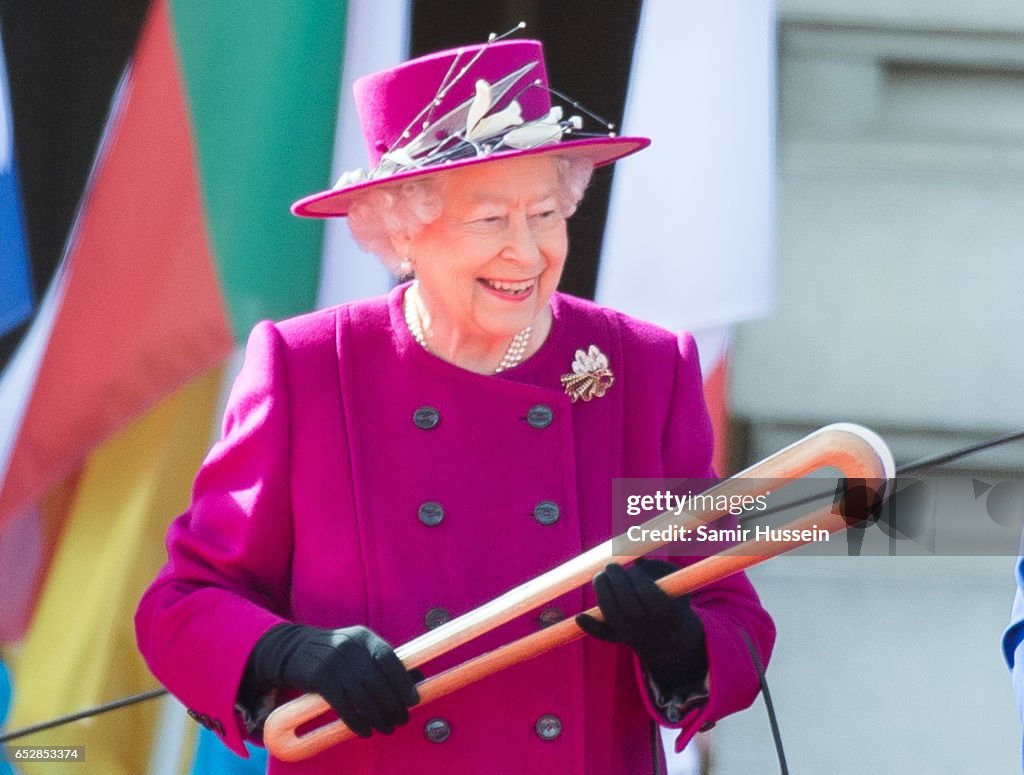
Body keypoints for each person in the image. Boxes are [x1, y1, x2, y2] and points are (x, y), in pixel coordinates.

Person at [135, 36, 775, 774]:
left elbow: (736, 622)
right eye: (490, 220)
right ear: (403, 227)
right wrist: (293, 650)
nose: (528, 254)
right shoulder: (309, 369)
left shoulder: (643, 370)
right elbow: (183, 604)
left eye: (545, 214)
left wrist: (678, 641)